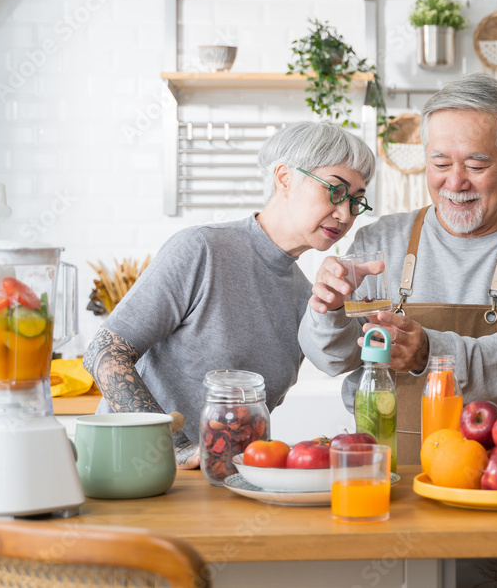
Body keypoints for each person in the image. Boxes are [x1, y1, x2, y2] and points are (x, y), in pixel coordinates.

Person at [299, 73, 497, 464]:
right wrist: (330, 310)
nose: (455, 181)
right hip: (382, 467)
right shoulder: (380, 240)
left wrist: (428, 355)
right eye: (439, 162)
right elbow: (335, 359)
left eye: (476, 164)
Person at [83, 122, 376, 468]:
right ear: (284, 178)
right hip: (132, 471)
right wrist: (173, 445)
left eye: (357, 201)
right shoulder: (202, 249)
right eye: (336, 191)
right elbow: (105, 351)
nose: (345, 214)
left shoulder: (306, 297)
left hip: (223, 482)